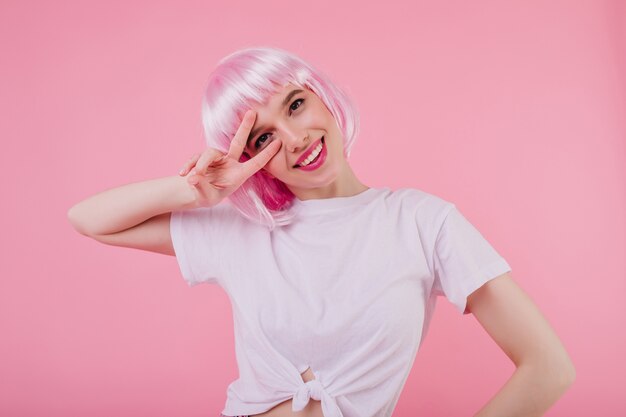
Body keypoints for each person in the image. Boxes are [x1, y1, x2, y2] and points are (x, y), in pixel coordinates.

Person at [67, 46, 575, 417]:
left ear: (322, 96)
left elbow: (548, 367)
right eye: (264, 137)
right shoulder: (240, 229)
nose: (295, 139)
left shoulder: (423, 222)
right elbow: (89, 219)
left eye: (295, 105)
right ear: (249, 158)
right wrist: (193, 193)